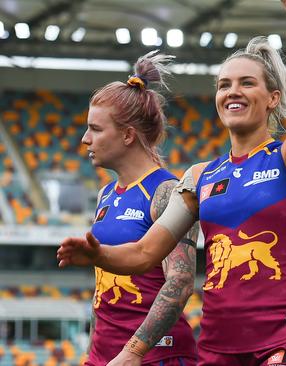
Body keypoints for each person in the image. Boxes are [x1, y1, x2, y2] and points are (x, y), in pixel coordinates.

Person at [58, 0, 286, 364]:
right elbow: (145, 252)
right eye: (224, 85)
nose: (232, 91)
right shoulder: (199, 177)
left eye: (246, 83)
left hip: (282, 338)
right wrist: (100, 254)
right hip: (217, 346)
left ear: (273, 98)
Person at [80, 51, 198, 366]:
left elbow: (180, 280)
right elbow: (100, 293)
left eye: (95, 129)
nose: (85, 139)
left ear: (128, 135)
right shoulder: (105, 194)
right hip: (105, 355)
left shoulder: (168, 192)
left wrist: (134, 351)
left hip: (156, 356)